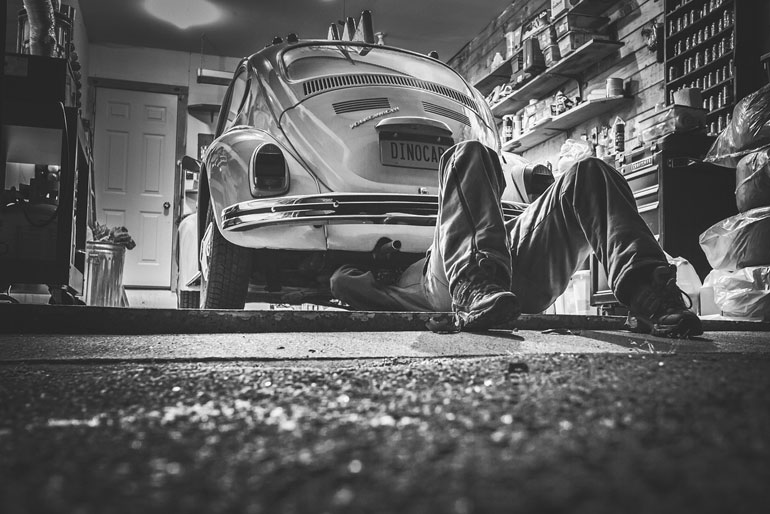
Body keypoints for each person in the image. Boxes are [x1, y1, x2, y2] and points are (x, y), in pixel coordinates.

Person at [330, 140, 703, 338]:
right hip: (454, 288)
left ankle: (650, 295)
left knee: (589, 173)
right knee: (468, 153)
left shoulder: (462, 224)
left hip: (511, 273)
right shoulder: (387, 279)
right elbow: (340, 280)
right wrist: (382, 262)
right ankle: (475, 288)